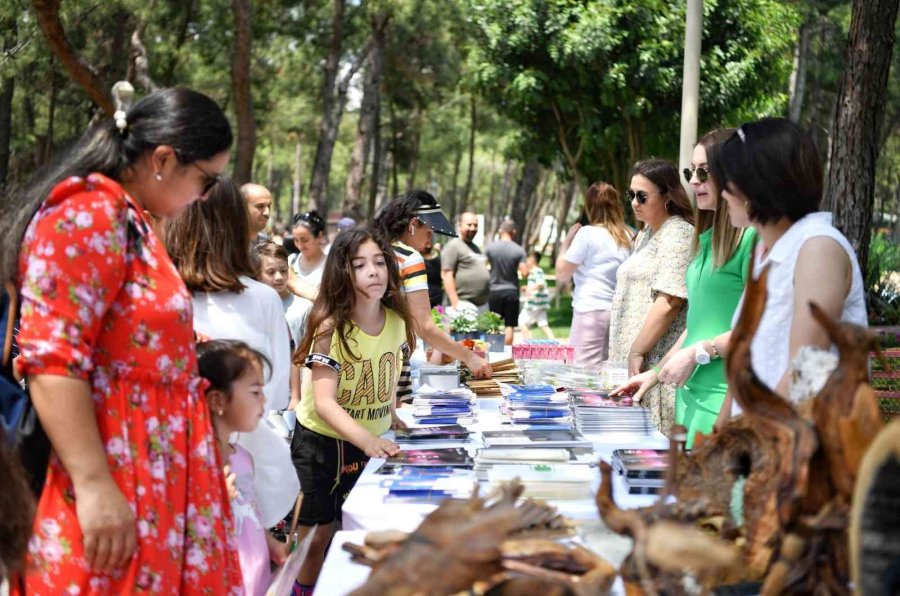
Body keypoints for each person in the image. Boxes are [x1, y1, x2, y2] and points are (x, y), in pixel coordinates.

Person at [5, 84, 242, 592]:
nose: (205, 197)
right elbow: (52, 361)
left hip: (146, 471)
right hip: (115, 472)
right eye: (206, 180)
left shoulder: (128, 219)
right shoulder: (88, 212)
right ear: (162, 158)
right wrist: (93, 487)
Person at [166, 179, 298, 530]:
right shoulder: (263, 300)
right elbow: (277, 392)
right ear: (235, 226)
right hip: (250, 470)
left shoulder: (161, 300)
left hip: (172, 471)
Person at [710, 118, 866, 415]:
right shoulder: (765, 250)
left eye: (729, 182)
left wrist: (748, 445)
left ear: (757, 184)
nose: (723, 194)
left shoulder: (818, 248)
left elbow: (809, 368)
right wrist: (720, 438)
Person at [611, 130, 757, 447]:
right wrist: (655, 373)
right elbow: (696, 325)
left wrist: (698, 353)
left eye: (704, 172)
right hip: (689, 396)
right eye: (691, 172)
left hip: (724, 400)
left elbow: (757, 331)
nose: (693, 181)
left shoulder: (752, 241)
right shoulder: (703, 241)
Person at [290, 228, 416, 594]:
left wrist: (389, 410)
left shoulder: (397, 321)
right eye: (360, 265)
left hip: (369, 445)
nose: (374, 271)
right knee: (314, 540)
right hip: (321, 442)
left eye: (380, 262)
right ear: (342, 273)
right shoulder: (330, 326)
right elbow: (325, 402)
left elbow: (387, 370)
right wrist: (368, 440)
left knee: (357, 534)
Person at [608, 159, 694, 436]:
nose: (634, 202)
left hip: (655, 361)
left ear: (668, 196)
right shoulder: (645, 234)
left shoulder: (678, 232)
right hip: (635, 363)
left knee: (652, 450)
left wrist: (638, 350)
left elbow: (670, 301)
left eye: (642, 196)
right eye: (630, 195)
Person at [197, 340, 288, 596]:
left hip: (258, 582)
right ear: (217, 400)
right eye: (255, 392)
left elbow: (251, 518)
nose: (264, 400)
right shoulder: (198, 467)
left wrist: (272, 545)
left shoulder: (243, 458)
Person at [373, 191, 492, 379]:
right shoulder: (410, 258)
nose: (429, 243)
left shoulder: (373, 250)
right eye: (428, 233)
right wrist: (469, 357)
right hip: (388, 359)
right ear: (413, 225)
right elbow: (425, 326)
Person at [555, 182, 633, 366]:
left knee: (583, 374)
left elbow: (562, 274)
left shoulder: (587, 234)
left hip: (589, 311)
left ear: (589, 206)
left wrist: (566, 244)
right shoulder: (629, 234)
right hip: (618, 313)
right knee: (610, 374)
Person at [254, 241, 310, 407]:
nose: (279, 277)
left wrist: (297, 397)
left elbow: (304, 356)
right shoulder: (253, 307)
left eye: (283, 271)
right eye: (271, 272)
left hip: (295, 397)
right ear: (257, 274)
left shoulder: (304, 308)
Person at [485, 220, 529, 345]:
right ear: (513, 232)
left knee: (493, 325)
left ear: (500, 231)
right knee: (509, 325)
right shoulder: (519, 250)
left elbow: (482, 266)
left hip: (494, 291)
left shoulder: (491, 248)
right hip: (512, 291)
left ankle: (493, 353)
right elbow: (525, 272)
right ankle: (506, 355)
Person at [441, 212, 491, 313]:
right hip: (463, 305)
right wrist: (455, 302)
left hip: (481, 306)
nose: (473, 228)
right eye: (469, 225)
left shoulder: (475, 247)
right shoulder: (453, 246)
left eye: (475, 225)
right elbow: (446, 275)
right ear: (460, 226)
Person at [287, 210, 327, 303]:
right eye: (296, 240)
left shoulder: (330, 265)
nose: (300, 246)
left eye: (304, 240)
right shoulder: (291, 260)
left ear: (319, 236)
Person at [519, 251, 555, 340]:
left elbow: (541, 283)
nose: (526, 261)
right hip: (540, 304)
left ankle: (528, 344)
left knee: (522, 321)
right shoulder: (537, 271)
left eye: (527, 259)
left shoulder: (536, 271)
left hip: (534, 303)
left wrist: (530, 289)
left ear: (532, 260)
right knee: (543, 323)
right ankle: (554, 342)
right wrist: (527, 287)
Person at [423, 243, 444, 308]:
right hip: (437, 293)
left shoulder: (421, 261)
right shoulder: (439, 260)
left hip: (425, 292)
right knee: (436, 315)